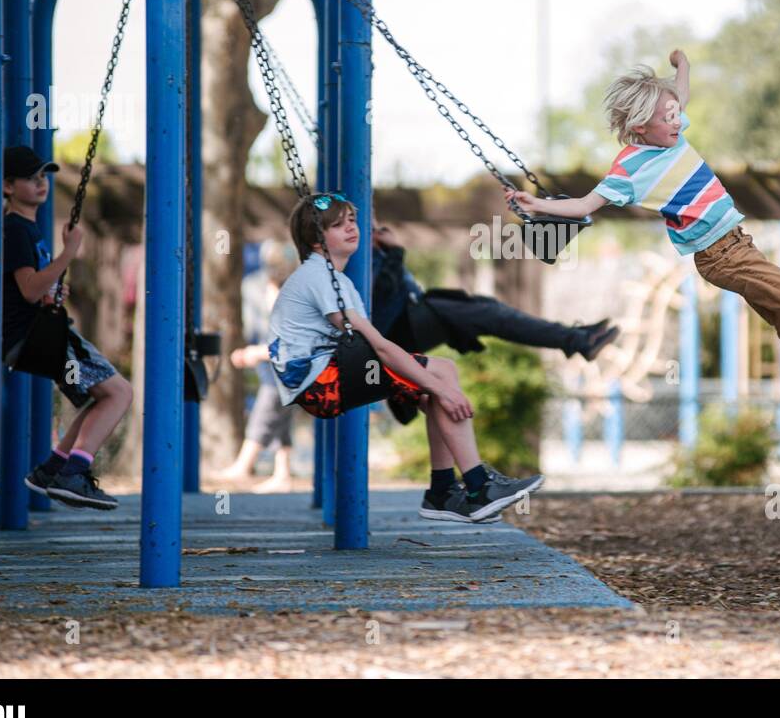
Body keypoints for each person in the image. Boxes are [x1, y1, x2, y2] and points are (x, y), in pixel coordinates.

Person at [504, 50, 780, 432]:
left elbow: (681, 95)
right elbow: (586, 205)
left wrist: (682, 67)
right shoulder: (629, 170)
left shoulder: (671, 135)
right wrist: (534, 203)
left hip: (740, 245)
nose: (678, 122)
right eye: (668, 118)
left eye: (676, 114)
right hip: (720, 255)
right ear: (640, 126)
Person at [268, 192, 544, 522]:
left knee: (437, 382)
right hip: (319, 383)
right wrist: (441, 388)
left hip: (321, 377)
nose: (351, 228)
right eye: (337, 225)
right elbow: (379, 347)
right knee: (440, 376)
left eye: (352, 221)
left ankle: (444, 491)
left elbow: (373, 347)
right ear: (316, 240)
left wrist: (433, 388)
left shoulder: (334, 279)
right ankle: (475, 485)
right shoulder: (321, 278)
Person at [370, 221, 618, 424]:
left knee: (491, 310)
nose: (377, 228)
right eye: (370, 225)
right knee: (493, 315)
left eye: (375, 223)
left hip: (416, 313)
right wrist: (395, 251)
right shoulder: (363, 253)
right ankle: (576, 339)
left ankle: (574, 338)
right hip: (399, 325)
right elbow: (382, 292)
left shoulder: (373, 247)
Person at [1, 145, 133, 510]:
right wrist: (69, 252)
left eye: (43, 176)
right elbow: (29, 289)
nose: (41, 183)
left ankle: (53, 468)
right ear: (8, 186)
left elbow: (34, 287)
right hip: (35, 336)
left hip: (38, 333)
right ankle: (74, 474)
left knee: (98, 397)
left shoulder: (28, 230)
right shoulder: (15, 230)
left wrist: (53, 286)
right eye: (30, 177)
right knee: (120, 393)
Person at [215, 249, 299, 491]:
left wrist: (255, 353)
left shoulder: (293, 299)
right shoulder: (268, 294)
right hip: (276, 368)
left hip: (283, 370)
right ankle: (283, 473)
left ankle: (244, 464)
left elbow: (291, 344)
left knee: (265, 413)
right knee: (281, 420)